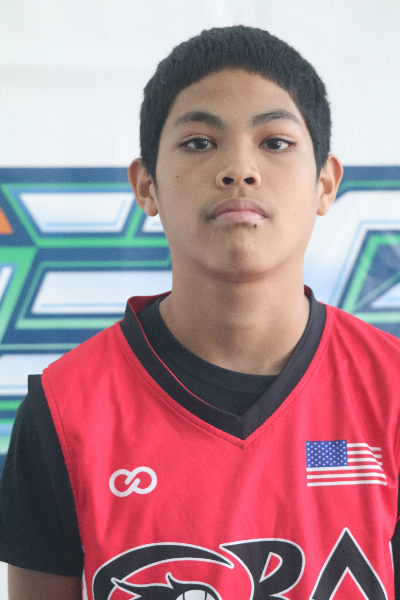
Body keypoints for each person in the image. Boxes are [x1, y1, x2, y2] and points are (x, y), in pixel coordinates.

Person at [0, 24, 399, 600]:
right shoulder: (64, 411)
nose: (239, 169)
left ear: (325, 184)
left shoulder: (391, 391)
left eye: (275, 142)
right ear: (146, 187)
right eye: (199, 143)